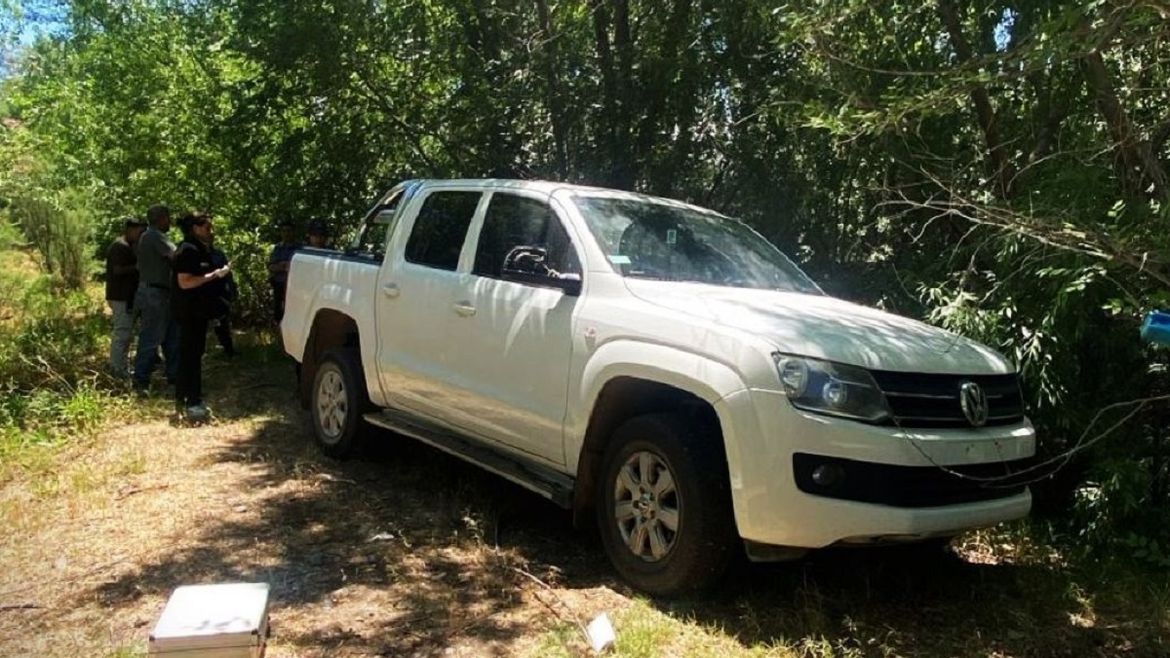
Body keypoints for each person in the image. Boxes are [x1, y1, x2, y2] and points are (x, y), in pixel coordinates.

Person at [172, 211, 231, 422]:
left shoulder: (200, 249)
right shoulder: (188, 250)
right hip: (189, 312)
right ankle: (192, 402)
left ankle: (184, 398)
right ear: (195, 228)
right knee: (190, 356)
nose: (211, 231)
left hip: (198, 312)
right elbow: (185, 281)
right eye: (207, 227)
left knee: (193, 355)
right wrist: (215, 275)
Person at [132, 204, 180, 393]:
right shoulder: (154, 236)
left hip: (161, 293)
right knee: (151, 336)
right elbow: (176, 257)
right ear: (160, 218)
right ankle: (141, 379)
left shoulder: (149, 237)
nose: (170, 222)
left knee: (171, 336)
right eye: (167, 217)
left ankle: (174, 376)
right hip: (156, 294)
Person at [105, 217, 147, 378]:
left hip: (127, 296)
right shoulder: (119, 247)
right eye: (140, 232)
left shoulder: (129, 246)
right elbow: (118, 270)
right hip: (120, 297)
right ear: (130, 229)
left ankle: (122, 367)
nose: (141, 235)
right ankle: (116, 370)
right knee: (122, 334)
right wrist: (137, 267)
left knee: (126, 334)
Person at [208, 235, 237, 357]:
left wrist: (232, 288)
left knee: (222, 321)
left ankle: (228, 349)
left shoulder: (219, 254)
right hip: (202, 293)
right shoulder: (195, 254)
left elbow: (227, 273)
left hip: (220, 293)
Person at [267, 219, 300, 324]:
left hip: (295, 286)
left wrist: (284, 265)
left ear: (293, 232)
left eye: (289, 230)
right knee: (278, 313)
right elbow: (271, 266)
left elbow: (298, 267)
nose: (286, 233)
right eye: (284, 231)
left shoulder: (299, 248)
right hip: (279, 285)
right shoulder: (278, 248)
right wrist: (283, 266)